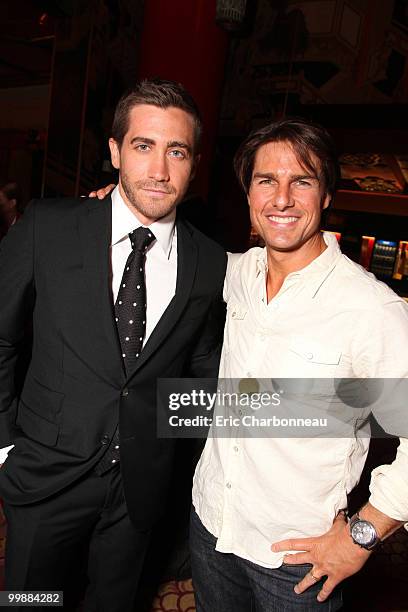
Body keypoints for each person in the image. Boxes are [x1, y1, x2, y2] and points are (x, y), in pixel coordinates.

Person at [0, 78, 226, 611]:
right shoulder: (50, 226)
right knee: (33, 602)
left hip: (141, 493)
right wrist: (5, 446)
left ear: (194, 162)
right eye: (143, 146)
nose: (160, 170)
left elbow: (197, 372)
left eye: (177, 151)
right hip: (44, 479)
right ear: (115, 152)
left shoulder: (209, 261)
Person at [190, 118, 408, 611]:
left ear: (326, 194)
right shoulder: (238, 273)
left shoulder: (372, 310)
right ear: (248, 193)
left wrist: (362, 536)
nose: (282, 199)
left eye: (301, 181)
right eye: (267, 180)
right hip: (211, 525)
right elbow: (168, 251)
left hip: (298, 558)